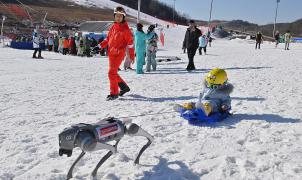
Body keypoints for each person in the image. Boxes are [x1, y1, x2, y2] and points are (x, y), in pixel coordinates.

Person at [98, 6, 135, 101]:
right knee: (113, 73)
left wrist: (131, 56)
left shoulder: (126, 30)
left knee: (111, 73)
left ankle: (114, 93)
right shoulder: (113, 27)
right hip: (111, 53)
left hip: (119, 54)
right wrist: (99, 46)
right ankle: (124, 87)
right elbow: (107, 39)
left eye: (120, 16)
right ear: (114, 16)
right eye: (116, 15)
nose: (118, 17)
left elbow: (130, 44)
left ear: (123, 17)